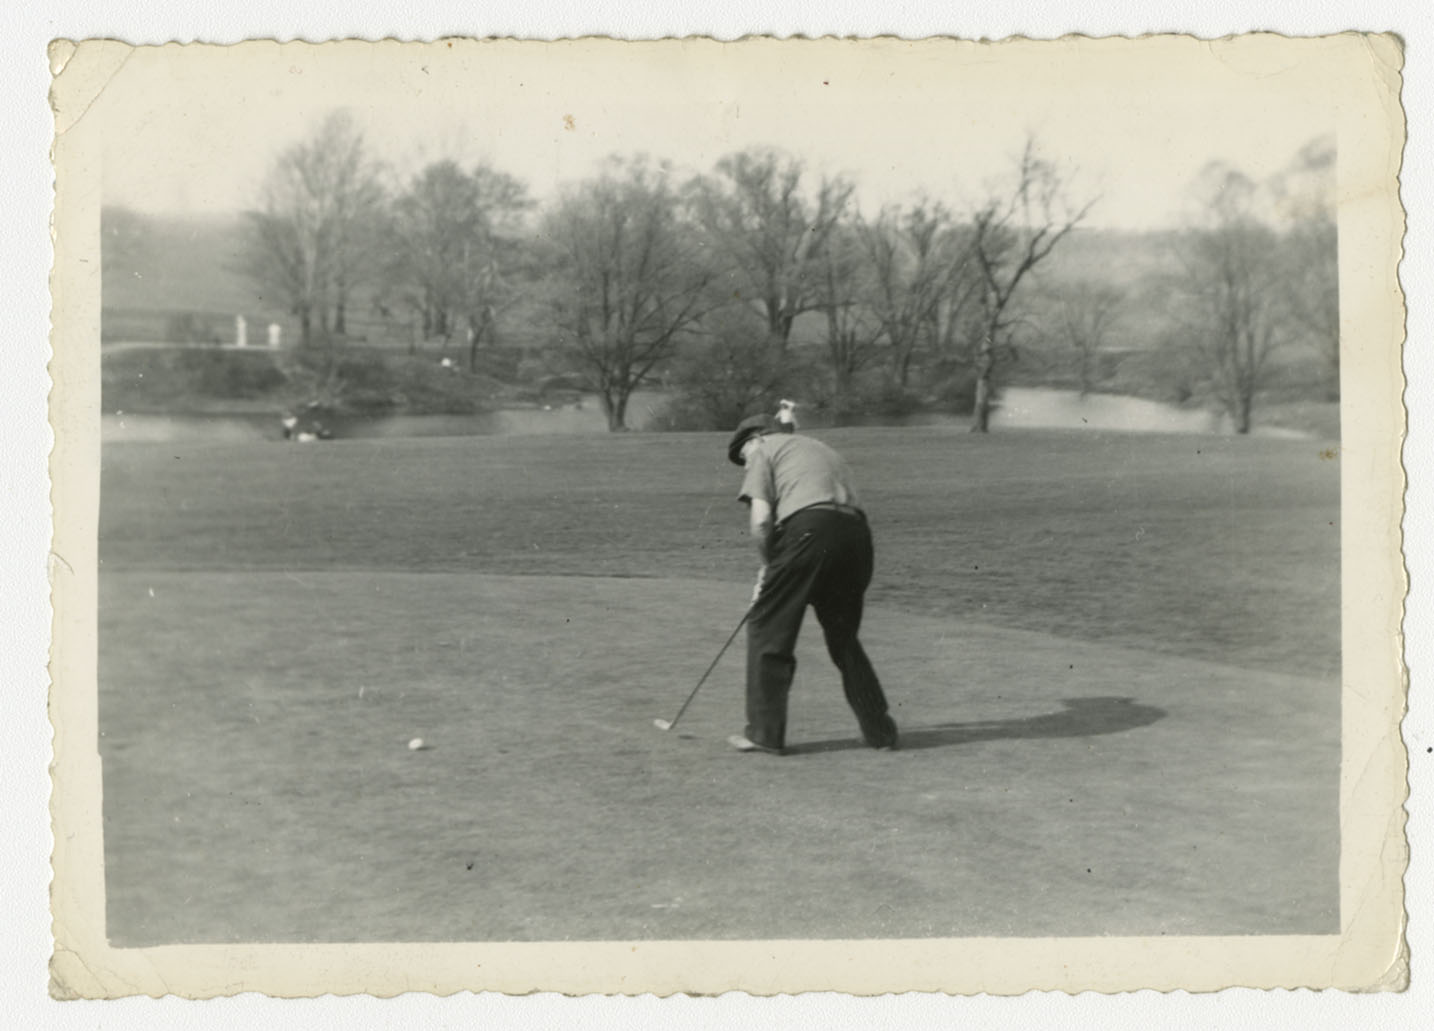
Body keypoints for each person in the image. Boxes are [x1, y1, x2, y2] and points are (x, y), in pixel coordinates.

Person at [725, 412, 899, 755]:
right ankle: (880, 732)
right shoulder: (819, 447)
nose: (746, 468)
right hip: (856, 538)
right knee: (843, 637)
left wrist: (769, 568)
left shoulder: (763, 449)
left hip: (809, 531)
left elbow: (761, 523)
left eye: (742, 458)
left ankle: (764, 733)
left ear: (755, 439)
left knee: (767, 627)